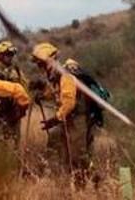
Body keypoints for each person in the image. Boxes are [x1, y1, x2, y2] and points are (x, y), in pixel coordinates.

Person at [31, 42, 103, 179]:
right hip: (70, 118)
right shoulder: (56, 76)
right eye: (38, 64)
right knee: (58, 143)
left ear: (51, 60)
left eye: (41, 63)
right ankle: (71, 180)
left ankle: (95, 180)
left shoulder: (66, 75)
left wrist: (55, 118)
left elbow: (69, 103)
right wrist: (42, 95)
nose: (40, 67)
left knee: (78, 155)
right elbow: (57, 92)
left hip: (79, 119)